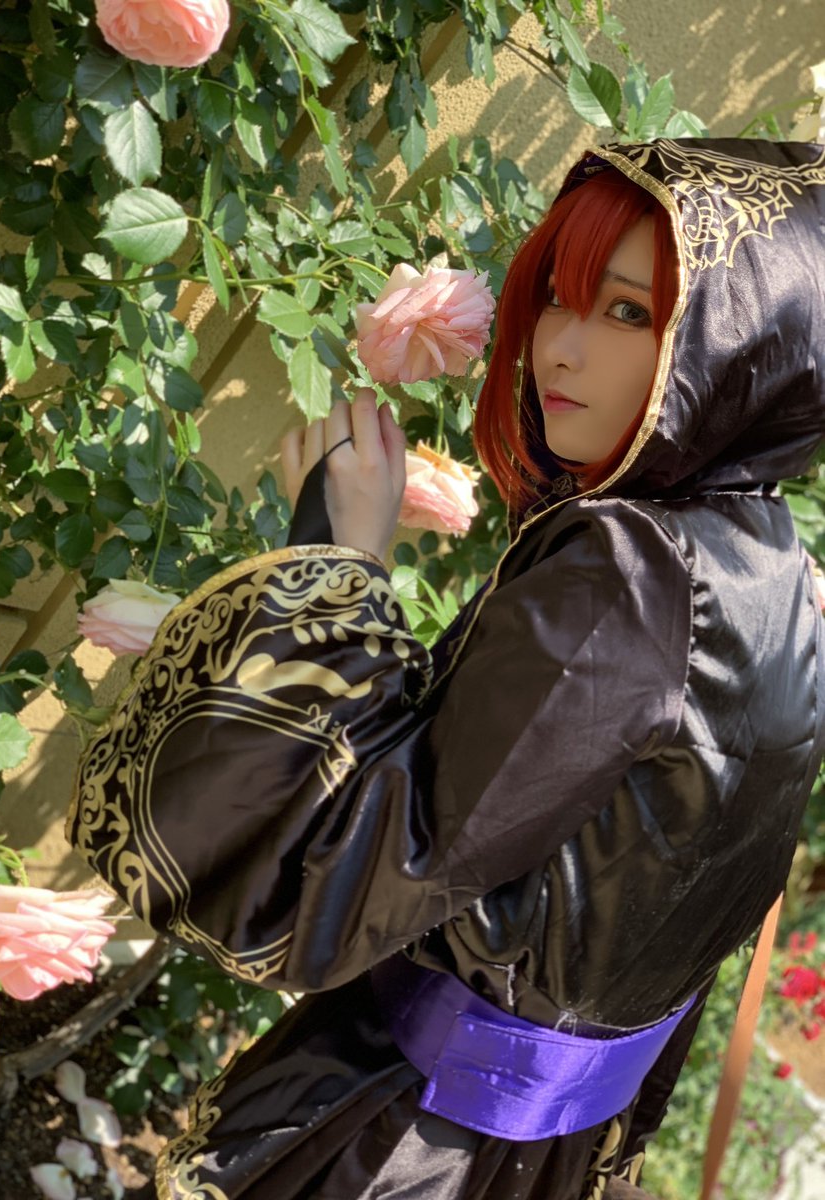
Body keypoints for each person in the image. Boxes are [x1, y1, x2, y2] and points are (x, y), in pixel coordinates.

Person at [68, 137, 825, 1200]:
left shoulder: (630, 574)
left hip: (405, 1140)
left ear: (752, 348)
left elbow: (350, 875)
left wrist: (337, 572)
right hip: (541, 1150)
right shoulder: (774, 566)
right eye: (558, 297)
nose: (560, 349)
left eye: (629, 312)